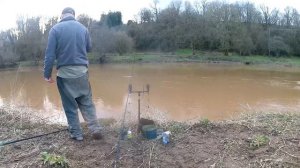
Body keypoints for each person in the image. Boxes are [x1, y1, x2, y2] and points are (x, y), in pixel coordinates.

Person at [43, 7, 102, 141]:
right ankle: (95, 128)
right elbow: (88, 48)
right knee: (87, 102)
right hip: (82, 72)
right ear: (74, 15)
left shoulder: (55, 29)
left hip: (65, 74)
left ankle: (77, 134)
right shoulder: (83, 29)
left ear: (62, 15)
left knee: (70, 106)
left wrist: (47, 74)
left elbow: (50, 54)